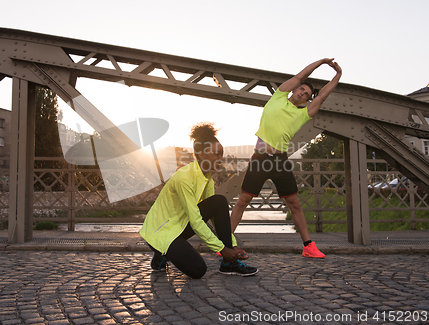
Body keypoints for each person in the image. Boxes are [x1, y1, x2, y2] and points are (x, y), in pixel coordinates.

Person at [230, 58, 342, 258]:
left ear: (306, 100)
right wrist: (322, 62)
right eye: (301, 89)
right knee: (243, 201)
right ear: (293, 90)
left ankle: (308, 246)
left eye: (306, 94)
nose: (302, 92)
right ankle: (226, 244)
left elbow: (322, 96)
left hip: (279, 161)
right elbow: (301, 75)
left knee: (294, 204)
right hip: (260, 158)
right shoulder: (278, 97)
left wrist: (337, 75)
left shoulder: (303, 114)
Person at [140, 122, 258, 278]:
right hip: (161, 232)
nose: (220, 158)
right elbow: (196, 221)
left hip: (179, 226)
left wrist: (232, 246)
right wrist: (222, 249)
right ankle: (161, 254)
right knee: (198, 270)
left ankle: (229, 264)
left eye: (221, 154)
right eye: (217, 154)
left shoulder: (206, 178)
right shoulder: (184, 177)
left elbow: (214, 216)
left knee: (219, 201)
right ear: (202, 154)